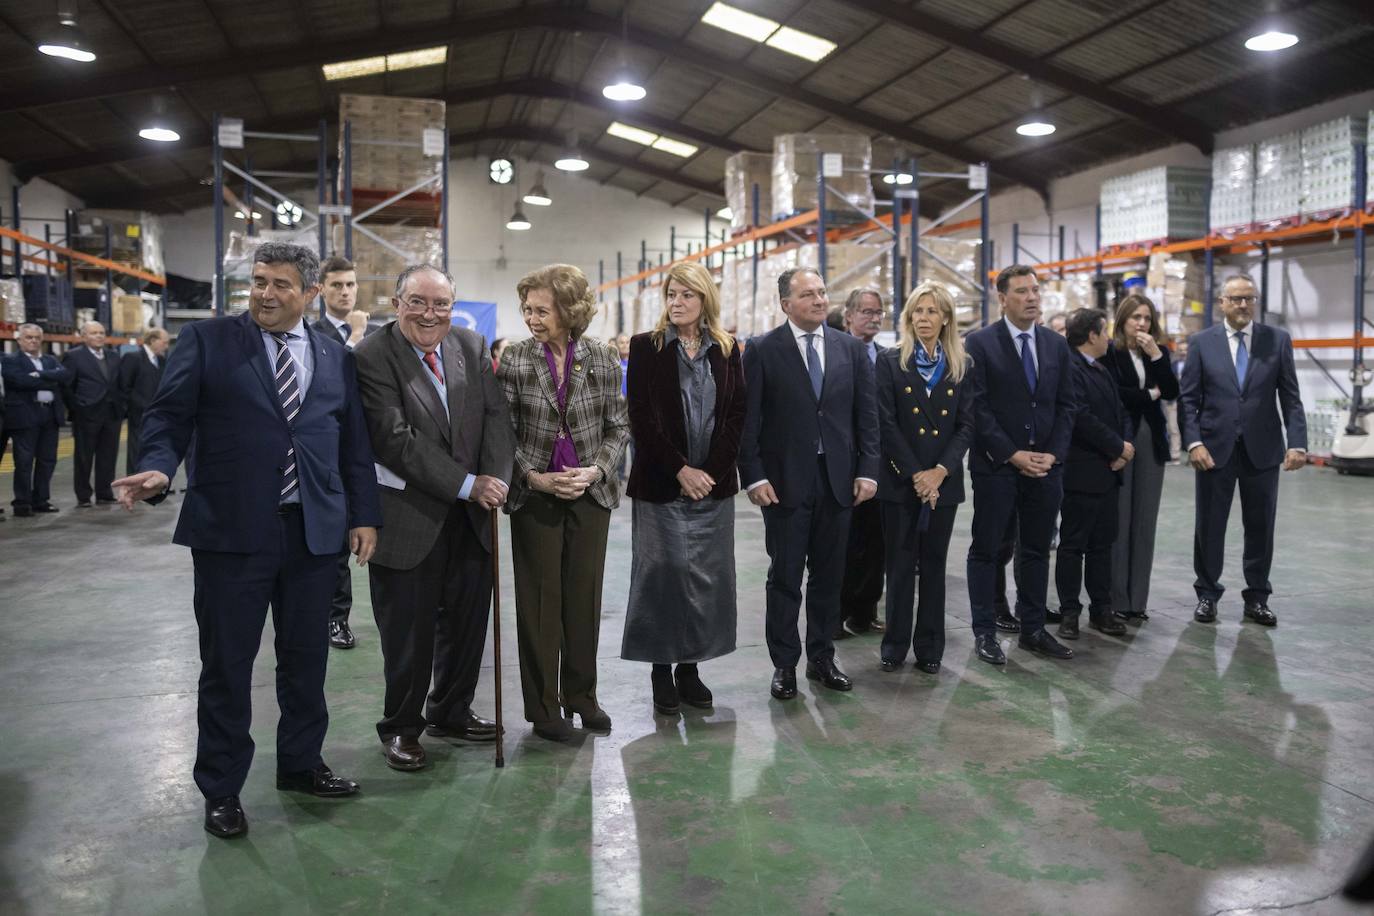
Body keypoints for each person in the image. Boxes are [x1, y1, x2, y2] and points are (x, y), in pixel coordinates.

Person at [112, 241, 382, 839]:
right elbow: (168, 417)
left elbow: (352, 443)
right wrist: (159, 468)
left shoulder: (335, 354)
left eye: (282, 284)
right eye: (260, 281)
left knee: (306, 661)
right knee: (228, 666)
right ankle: (222, 788)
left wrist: (364, 515)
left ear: (311, 295)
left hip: (313, 532)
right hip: (231, 532)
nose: (265, 293)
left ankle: (302, 764)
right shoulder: (208, 341)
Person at [354, 264, 516, 772]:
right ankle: (401, 728)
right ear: (397, 302)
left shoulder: (469, 345)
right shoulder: (371, 357)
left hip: (471, 518)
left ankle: (450, 711)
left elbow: (495, 417)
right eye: (418, 302)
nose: (430, 314)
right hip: (408, 517)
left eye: (441, 304)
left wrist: (496, 477)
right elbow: (395, 439)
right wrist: (468, 484)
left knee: (468, 624)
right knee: (409, 633)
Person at [498, 264, 629, 742]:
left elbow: (619, 426)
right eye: (527, 309)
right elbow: (502, 432)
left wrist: (595, 470)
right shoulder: (514, 359)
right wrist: (533, 477)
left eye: (542, 310)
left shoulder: (602, 357)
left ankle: (582, 697)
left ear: (570, 311)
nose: (532, 318)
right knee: (538, 604)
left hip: (590, 493)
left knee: (583, 600)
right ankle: (544, 709)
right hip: (535, 495)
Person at [738, 267, 879, 700]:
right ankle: (784, 664)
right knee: (784, 577)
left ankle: (822, 656)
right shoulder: (763, 350)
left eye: (821, 292)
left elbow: (866, 417)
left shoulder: (850, 349)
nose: (819, 300)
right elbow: (749, 420)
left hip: (838, 481)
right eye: (808, 295)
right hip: (783, 485)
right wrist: (754, 475)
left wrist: (868, 469)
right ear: (786, 304)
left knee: (828, 575)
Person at [621, 261, 746, 715]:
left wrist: (709, 471)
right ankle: (661, 669)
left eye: (686, 295)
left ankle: (690, 669)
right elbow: (642, 419)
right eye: (671, 294)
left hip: (711, 488)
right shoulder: (647, 347)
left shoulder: (729, 349)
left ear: (704, 299)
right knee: (663, 575)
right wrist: (681, 470)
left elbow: (735, 417)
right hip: (662, 485)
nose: (676, 302)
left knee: (706, 580)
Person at [963, 265, 1077, 665]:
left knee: (1035, 550)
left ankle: (1032, 629)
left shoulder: (1055, 345)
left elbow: (1066, 405)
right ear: (1002, 298)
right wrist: (1012, 454)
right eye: (1022, 291)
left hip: (1046, 467)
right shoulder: (978, 344)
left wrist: (1054, 453)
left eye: (1035, 290)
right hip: (997, 467)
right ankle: (984, 632)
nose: (1032, 297)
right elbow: (976, 408)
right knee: (987, 549)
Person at [1179, 274, 1306, 627]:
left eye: (1249, 298)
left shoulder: (1276, 341)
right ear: (1222, 303)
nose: (1243, 305)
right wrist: (1194, 442)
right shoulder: (1202, 343)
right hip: (1213, 450)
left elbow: (1290, 397)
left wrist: (1297, 441)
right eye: (1235, 299)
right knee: (1210, 525)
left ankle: (1257, 597)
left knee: (1261, 525)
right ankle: (1207, 594)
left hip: (1262, 449)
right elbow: (1188, 400)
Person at [874, 282, 973, 674]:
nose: (924, 319)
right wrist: (917, 474)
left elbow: (967, 426)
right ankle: (894, 646)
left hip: (943, 483)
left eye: (932, 311)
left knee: (934, 566)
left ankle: (930, 647)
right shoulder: (890, 361)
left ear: (945, 317)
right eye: (917, 311)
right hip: (902, 481)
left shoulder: (962, 365)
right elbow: (886, 423)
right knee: (899, 567)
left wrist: (939, 472)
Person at [1054, 308, 1133, 639]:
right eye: (1105, 331)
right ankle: (1070, 612)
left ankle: (1102, 609)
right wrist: (1117, 447)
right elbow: (1081, 417)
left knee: (1102, 545)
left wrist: (1123, 446)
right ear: (1091, 336)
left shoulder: (1101, 369)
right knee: (1073, 545)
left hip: (1107, 472)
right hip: (1081, 472)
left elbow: (1120, 411)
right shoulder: (1070, 370)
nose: (1109, 338)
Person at [1102, 294, 1178, 622]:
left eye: (1147, 318)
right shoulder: (1110, 352)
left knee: (1145, 518)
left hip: (1152, 438)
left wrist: (1157, 356)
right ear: (1122, 321)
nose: (1142, 324)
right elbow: (1115, 394)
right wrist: (1149, 394)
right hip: (1121, 436)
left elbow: (1173, 391)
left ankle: (1137, 601)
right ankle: (1116, 599)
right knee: (1120, 518)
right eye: (1135, 318)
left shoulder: (1157, 354)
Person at [311, 255, 369, 650]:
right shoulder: (311, 335)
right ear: (321, 290)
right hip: (327, 452)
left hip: (368, 451)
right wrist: (353, 339)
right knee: (333, 547)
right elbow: (326, 382)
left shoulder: (379, 333)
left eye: (350, 285)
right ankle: (336, 618)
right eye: (337, 285)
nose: (345, 292)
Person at [837, 287, 888, 637]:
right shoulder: (836, 354)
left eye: (878, 312)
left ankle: (864, 612)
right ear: (849, 317)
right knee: (841, 543)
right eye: (866, 311)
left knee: (876, 543)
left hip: (883, 465)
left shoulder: (889, 357)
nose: (873, 317)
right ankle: (835, 613)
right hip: (843, 464)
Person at [2, 324, 71, 516]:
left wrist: (39, 374)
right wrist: (50, 379)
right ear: (19, 340)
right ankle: (22, 503)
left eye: (36, 338)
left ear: (41, 340)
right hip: (25, 418)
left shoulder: (49, 360)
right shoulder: (10, 360)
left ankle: (41, 500)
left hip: (50, 417)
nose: (33, 341)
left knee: (47, 460)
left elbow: (65, 375)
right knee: (24, 462)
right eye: (28, 337)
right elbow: (19, 381)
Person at [63, 320, 123, 507]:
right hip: (86, 414)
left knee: (108, 456)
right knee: (84, 457)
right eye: (94, 333)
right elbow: (66, 386)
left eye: (101, 333)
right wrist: (78, 407)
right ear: (83, 336)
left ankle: (104, 493)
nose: (98, 336)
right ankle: (83, 496)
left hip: (111, 414)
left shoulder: (113, 356)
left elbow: (119, 383)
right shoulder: (73, 357)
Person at [118, 327, 168, 475]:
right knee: (137, 447)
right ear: (153, 341)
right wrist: (131, 408)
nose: (166, 346)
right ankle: (135, 480)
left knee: (155, 447)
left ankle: (152, 481)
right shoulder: (133, 358)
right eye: (164, 343)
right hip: (139, 413)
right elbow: (124, 385)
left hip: (158, 414)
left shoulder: (161, 360)